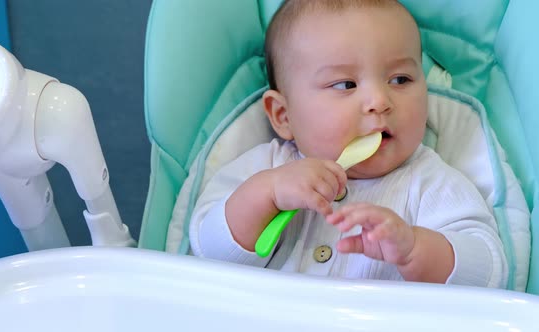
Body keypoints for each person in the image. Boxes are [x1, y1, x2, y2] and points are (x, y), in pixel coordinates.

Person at [189, 0, 507, 287]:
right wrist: (266, 196)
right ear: (284, 115)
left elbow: (489, 273)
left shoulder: (431, 183)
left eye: (400, 79)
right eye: (345, 84)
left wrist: (414, 249)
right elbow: (206, 254)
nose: (379, 101)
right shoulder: (263, 169)